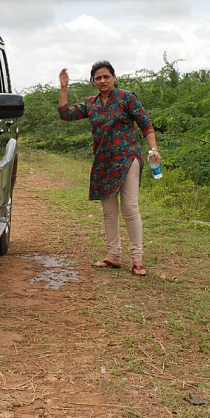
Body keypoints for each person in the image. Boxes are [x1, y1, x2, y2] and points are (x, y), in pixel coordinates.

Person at [58, 60, 161, 276]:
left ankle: (138, 260)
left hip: (127, 159)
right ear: (93, 81)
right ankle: (113, 256)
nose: (102, 81)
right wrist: (64, 88)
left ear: (114, 78)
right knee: (109, 212)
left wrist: (154, 149)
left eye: (106, 76)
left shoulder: (126, 98)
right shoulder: (91, 103)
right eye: (98, 78)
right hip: (103, 162)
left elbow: (146, 124)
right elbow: (65, 114)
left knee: (130, 209)